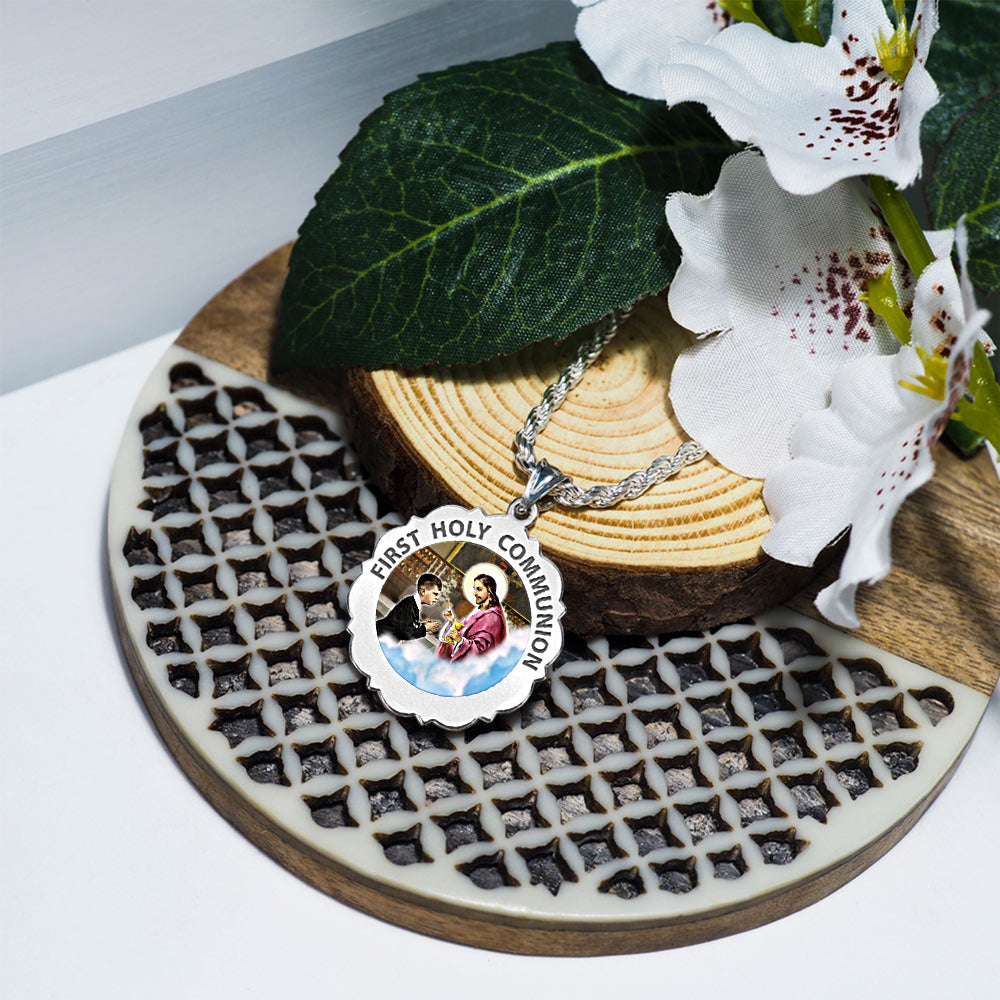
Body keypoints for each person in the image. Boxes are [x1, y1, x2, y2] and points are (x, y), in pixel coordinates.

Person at [437, 572, 507, 662]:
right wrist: (452, 621)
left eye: (479, 589)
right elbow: (466, 631)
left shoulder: (493, 617)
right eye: (474, 589)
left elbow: (482, 649)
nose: (475, 593)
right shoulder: (480, 610)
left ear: (489, 591)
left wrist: (460, 640)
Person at [376, 573, 443, 642]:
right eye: (435, 594)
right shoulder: (409, 605)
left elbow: (408, 626)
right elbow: (405, 633)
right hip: (380, 637)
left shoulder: (414, 604)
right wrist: (425, 628)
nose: (437, 598)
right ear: (423, 591)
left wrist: (424, 625)